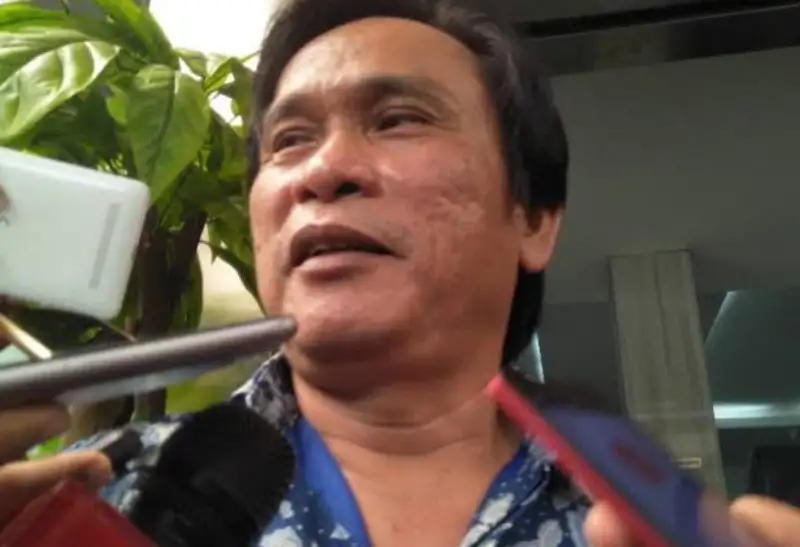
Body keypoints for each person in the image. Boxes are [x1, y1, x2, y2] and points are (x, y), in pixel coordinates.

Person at [1, 0, 800, 545]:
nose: (325, 170)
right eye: (289, 139)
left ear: (533, 218)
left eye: (398, 119)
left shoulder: (646, 519)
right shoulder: (85, 498)